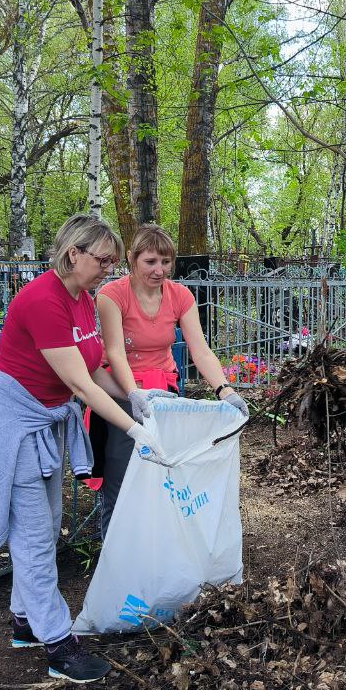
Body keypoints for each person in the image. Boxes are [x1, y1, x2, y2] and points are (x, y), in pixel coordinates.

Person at [0, 215, 168, 685]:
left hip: (45, 420)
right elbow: (78, 384)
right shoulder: (42, 301)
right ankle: (58, 645)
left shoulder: (83, 300)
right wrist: (136, 429)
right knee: (33, 536)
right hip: (11, 425)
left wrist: (133, 394)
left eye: (114, 263)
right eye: (104, 260)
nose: (109, 271)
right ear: (74, 253)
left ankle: (24, 621)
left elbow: (94, 374)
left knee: (47, 527)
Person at [93, 223, 248, 534]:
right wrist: (133, 393)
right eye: (150, 262)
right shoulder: (112, 295)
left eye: (165, 262)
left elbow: (200, 350)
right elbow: (115, 352)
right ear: (133, 260)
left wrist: (225, 390)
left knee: (164, 468)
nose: (159, 270)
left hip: (163, 390)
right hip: (121, 391)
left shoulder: (180, 295)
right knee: (122, 469)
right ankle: (115, 544)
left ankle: (157, 538)